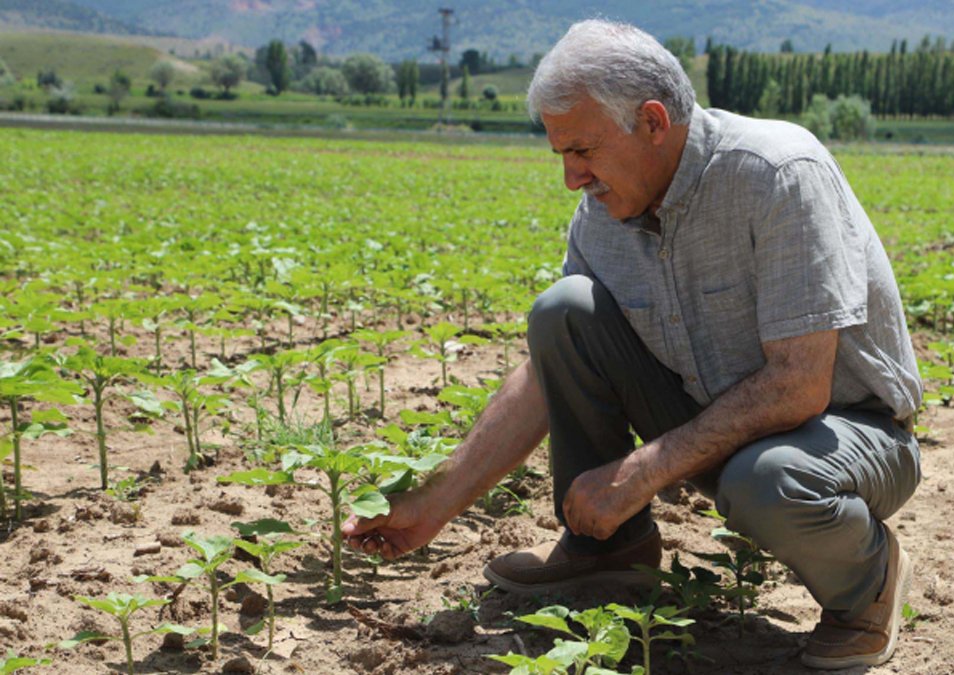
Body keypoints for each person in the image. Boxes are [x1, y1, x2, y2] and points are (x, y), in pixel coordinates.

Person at [344, 19, 922, 669]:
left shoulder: (777, 172)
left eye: (582, 149)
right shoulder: (601, 217)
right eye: (561, 154)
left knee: (768, 480)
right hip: (720, 423)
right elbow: (545, 375)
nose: (571, 177)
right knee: (565, 311)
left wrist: (639, 472)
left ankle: (867, 583)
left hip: (848, 435)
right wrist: (434, 502)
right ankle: (606, 550)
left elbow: (798, 385)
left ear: (652, 122)